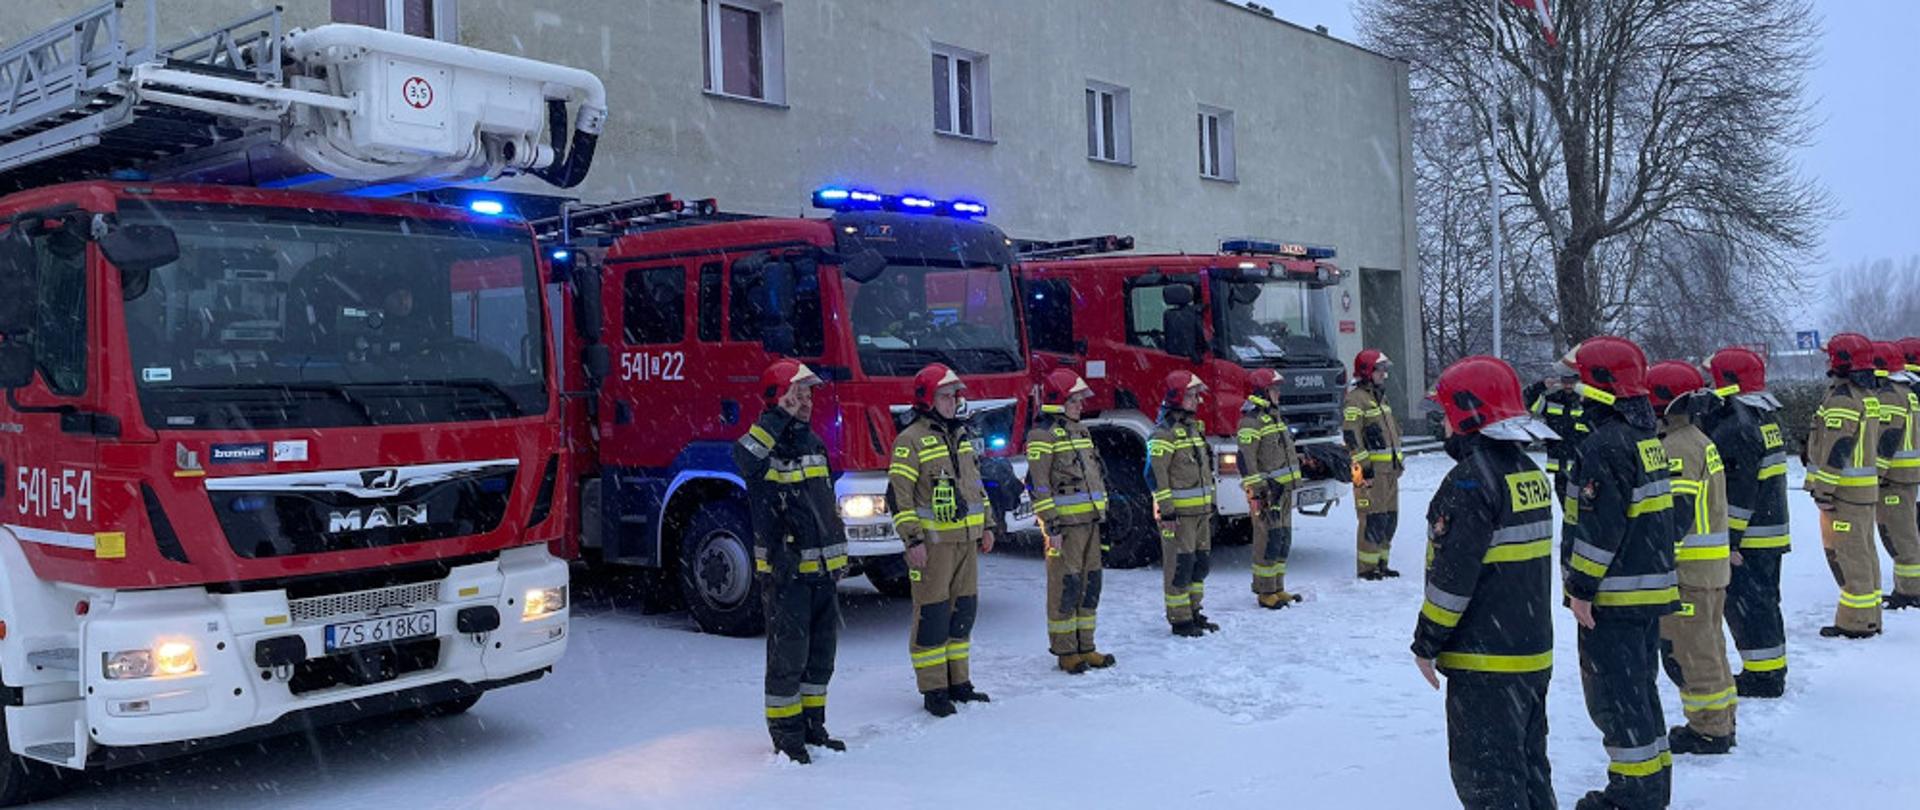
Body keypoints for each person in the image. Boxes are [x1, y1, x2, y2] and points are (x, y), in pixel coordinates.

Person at [1413, 355, 1559, 810]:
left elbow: (1452, 581)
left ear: (1466, 416)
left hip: (1486, 665)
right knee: (1530, 773)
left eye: (1444, 415)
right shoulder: (1528, 475)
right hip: (1530, 656)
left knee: (1489, 783)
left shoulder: (1470, 484)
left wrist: (1426, 642)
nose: (1441, 426)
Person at [1560, 336, 1679, 810]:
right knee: (1639, 691)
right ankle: (1652, 784)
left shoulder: (1604, 445)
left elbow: (1598, 528)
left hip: (1613, 597)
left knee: (1615, 699)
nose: (1573, 389)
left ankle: (1632, 796)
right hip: (1644, 592)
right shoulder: (1643, 438)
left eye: (1578, 379)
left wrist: (1581, 589)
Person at [734, 360, 844, 764]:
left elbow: (824, 508)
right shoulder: (763, 446)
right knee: (788, 659)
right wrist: (778, 415)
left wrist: (838, 555)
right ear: (777, 398)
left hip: (822, 575)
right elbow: (744, 458)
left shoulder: (813, 443)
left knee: (820, 658)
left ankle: (814, 727)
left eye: (809, 393)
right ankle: (787, 736)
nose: (806, 401)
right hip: (787, 576)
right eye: (797, 394)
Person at [889, 363, 997, 716]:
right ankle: (934, 688)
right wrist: (912, 541)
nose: (954, 401)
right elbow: (899, 497)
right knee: (932, 615)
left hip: (965, 542)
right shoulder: (910, 440)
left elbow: (975, 485)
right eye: (946, 395)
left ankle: (959, 682)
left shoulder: (960, 436)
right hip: (933, 547)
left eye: (955, 395)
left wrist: (989, 525)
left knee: (962, 613)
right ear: (927, 399)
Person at [1646, 362, 1737, 756]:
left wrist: (1655, 556)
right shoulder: (1698, 439)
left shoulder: (1678, 447)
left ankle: (1709, 729)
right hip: (1709, 570)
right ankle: (1721, 719)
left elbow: (1676, 514)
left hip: (1689, 572)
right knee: (1710, 645)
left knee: (1691, 652)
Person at [1702, 346, 1793, 697]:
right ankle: (1769, 668)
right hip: (1768, 529)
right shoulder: (1763, 414)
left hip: (1750, 537)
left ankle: (1763, 677)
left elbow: (1738, 493)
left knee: (1750, 607)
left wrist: (1729, 540)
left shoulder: (1737, 425)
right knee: (1764, 603)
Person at [1026, 369, 1115, 674]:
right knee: (1065, 585)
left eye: (1079, 400)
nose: (1080, 405)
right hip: (1065, 528)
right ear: (1057, 401)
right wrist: (1051, 525)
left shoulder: (1081, 432)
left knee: (1090, 585)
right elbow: (1038, 485)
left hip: (1089, 522)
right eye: (1074, 400)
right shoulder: (1042, 436)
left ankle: (1086, 646)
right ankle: (1065, 650)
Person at [1806, 333, 1884, 639]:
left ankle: (1856, 622)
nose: (1827, 360)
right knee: (1864, 553)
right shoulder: (1867, 395)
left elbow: (1838, 447)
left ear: (1841, 362)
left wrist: (1823, 489)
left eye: (1831, 356)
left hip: (1844, 494)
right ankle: (1870, 617)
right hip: (1863, 492)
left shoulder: (1843, 398)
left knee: (1850, 558)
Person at [1150, 370, 1218, 637]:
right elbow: (1157, 476)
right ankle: (1179, 619)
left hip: (1199, 512)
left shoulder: (1192, 430)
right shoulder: (1163, 436)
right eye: (1190, 395)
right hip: (1178, 516)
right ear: (1176, 397)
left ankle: (1194, 610)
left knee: (1199, 563)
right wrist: (1167, 511)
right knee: (1180, 565)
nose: (1196, 401)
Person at [1239, 368, 1305, 608]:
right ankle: (1265, 591)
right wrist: (1259, 490)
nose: (1278, 393)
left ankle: (1278, 587)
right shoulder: (1251, 421)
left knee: (1282, 539)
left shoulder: (1274, 417)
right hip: (1267, 493)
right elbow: (1247, 460)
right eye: (1274, 389)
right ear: (1261, 391)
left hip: (1283, 491)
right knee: (1267, 540)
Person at [1345, 349, 1406, 579]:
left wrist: (1398, 461)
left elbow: (1392, 433)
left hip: (1389, 472)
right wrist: (1365, 466)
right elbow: (1351, 435)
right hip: (1371, 474)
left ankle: (1381, 562)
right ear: (1367, 371)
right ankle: (1367, 568)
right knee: (1371, 518)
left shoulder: (1380, 398)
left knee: (1388, 519)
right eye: (1380, 370)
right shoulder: (1356, 399)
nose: (1383, 374)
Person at [1874, 340, 1920, 609]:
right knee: (1904, 533)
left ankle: (1911, 591)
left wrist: (1876, 473)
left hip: (1895, 479)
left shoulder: (1891, 394)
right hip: (1903, 477)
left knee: (1902, 537)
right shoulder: (1907, 390)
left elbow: (1887, 438)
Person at [1889, 337, 1920, 609]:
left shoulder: (1902, 391)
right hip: (1911, 472)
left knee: (1905, 532)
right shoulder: (1912, 389)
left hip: (1902, 474)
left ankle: (1911, 590)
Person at [1529, 372, 1590, 498]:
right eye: (1565, 382)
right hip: (1559, 465)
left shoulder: (1586, 401)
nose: (1568, 386)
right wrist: (1541, 386)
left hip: (1581, 466)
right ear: (1561, 382)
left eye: (1572, 382)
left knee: (1581, 506)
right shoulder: (1552, 399)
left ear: (1578, 382)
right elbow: (1526, 401)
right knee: (1565, 505)